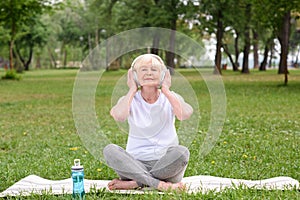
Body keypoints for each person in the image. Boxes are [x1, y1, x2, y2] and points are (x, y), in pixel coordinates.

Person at [103, 53, 193, 191]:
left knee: (182, 152)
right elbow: (119, 116)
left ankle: (136, 184)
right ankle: (159, 185)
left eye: (154, 69)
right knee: (110, 150)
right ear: (134, 76)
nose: (149, 73)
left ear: (163, 75)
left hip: (166, 167)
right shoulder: (129, 99)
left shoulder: (170, 97)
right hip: (134, 166)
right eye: (144, 69)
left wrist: (166, 90)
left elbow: (184, 114)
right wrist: (132, 89)